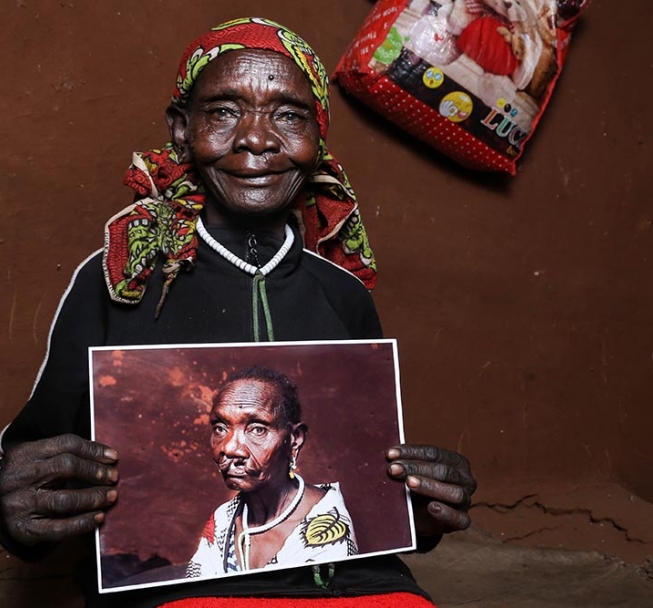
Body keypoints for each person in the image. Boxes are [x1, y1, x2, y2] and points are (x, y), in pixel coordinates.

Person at [0, 17, 476, 608]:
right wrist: (12, 503)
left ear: (316, 140)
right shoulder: (121, 278)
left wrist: (423, 510)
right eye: (224, 111)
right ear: (181, 130)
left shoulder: (344, 292)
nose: (257, 139)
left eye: (289, 115)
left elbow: (370, 501)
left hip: (361, 591)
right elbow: (29, 482)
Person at [187, 367, 358, 578]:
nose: (229, 448)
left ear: (294, 439)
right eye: (220, 428)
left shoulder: (328, 528)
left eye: (257, 429)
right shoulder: (223, 518)